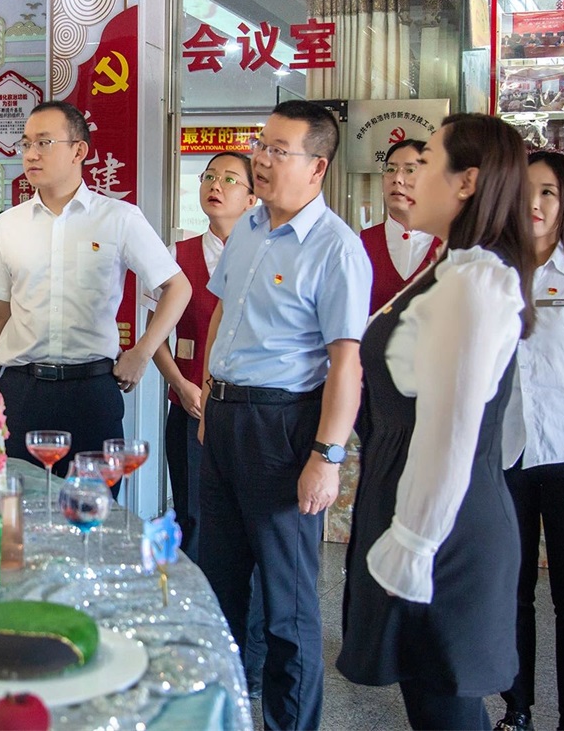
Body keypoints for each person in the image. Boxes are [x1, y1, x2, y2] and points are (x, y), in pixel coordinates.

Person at [337, 113, 536, 731]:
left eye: (424, 164)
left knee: (444, 702)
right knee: (428, 699)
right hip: (411, 496)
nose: (406, 178)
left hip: (441, 520)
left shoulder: (474, 283)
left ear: (466, 182)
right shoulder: (450, 268)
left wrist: (413, 544)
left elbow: (451, 433)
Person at [197, 100, 371, 730]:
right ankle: (227, 715)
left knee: (286, 605)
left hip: (283, 426)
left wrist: (327, 457)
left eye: (278, 150)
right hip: (224, 420)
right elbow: (222, 311)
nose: (261, 159)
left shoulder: (336, 249)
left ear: (317, 166)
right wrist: (209, 395)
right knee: (220, 587)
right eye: (260, 145)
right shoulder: (247, 227)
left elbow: (346, 364)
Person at [0, 100, 191, 478]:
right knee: (19, 502)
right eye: (26, 144)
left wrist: (142, 352)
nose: (31, 154)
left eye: (44, 143)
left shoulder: (118, 218)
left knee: (95, 502)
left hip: (91, 391)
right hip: (22, 391)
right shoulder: (7, 225)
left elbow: (177, 287)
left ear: (79, 151)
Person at [495, 151, 564, 731]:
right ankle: (517, 708)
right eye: (525, 190)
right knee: (512, 592)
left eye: (548, 192)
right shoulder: (491, 275)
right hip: (505, 455)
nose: (533, 203)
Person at [147, 151, 256, 559]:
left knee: (246, 517)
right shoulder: (177, 255)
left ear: (252, 198)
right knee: (192, 513)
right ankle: (192, 593)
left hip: (248, 411)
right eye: (209, 176)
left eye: (229, 179)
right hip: (189, 406)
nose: (215, 185)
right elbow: (154, 336)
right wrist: (179, 384)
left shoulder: (265, 253)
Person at [360, 139, 441, 315]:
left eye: (410, 170)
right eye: (391, 170)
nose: (397, 179)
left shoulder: (450, 243)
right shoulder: (362, 243)